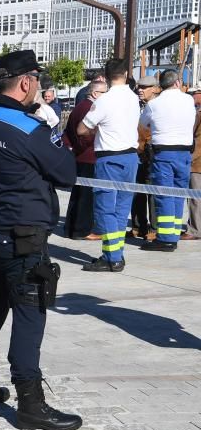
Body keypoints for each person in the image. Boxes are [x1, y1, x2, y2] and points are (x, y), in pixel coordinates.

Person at [0, 49, 81, 430]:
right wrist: (53, 134)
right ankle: (31, 404)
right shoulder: (29, 128)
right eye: (37, 82)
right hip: (25, 236)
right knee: (30, 316)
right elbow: (66, 173)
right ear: (27, 82)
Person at [77, 58, 141, 272]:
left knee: (105, 208)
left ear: (105, 76)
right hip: (131, 158)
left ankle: (112, 257)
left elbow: (81, 129)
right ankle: (116, 254)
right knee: (122, 210)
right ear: (125, 73)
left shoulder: (104, 100)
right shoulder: (133, 98)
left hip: (109, 158)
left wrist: (97, 130)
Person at [139, 69, 196, 251]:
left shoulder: (154, 104)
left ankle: (165, 239)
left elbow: (142, 124)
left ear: (159, 86)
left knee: (164, 196)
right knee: (179, 195)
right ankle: (173, 234)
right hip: (185, 154)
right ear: (178, 83)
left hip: (164, 154)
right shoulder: (188, 100)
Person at [63, 80, 106, 239]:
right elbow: (84, 133)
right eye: (104, 92)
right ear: (95, 93)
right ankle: (83, 230)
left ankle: (73, 228)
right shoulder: (89, 108)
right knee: (86, 196)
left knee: (79, 194)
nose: (106, 96)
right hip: (88, 156)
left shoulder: (81, 106)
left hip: (82, 156)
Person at [130, 75, 160, 240]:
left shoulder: (158, 106)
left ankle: (154, 228)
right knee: (137, 191)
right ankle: (138, 226)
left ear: (155, 88)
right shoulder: (136, 106)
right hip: (136, 153)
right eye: (139, 87)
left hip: (151, 154)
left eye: (145, 87)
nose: (140, 90)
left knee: (152, 193)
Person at [185, 91, 201, 240]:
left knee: (195, 198)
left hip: (197, 164)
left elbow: (199, 142)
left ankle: (194, 230)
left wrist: (189, 159)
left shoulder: (199, 115)